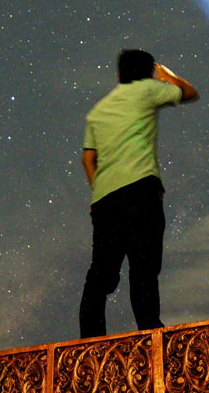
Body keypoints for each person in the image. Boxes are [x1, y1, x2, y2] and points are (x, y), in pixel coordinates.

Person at [79, 49, 199, 337]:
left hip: (105, 199)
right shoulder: (147, 89)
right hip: (141, 190)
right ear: (147, 72)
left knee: (102, 272)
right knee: (143, 266)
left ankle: (90, 338)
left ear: (119, 75)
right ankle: (149, 330)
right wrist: (166, 74)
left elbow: (88, 160)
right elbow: (189, 92)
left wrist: (103, 188)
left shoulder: (97, 111)